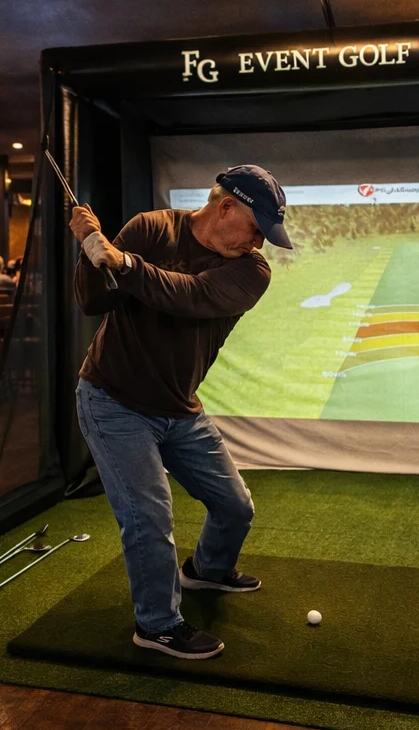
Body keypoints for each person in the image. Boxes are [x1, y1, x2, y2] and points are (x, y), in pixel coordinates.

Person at [70, 166, 292, 659]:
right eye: (256, 229)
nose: (259, 242)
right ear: (226, 207)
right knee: (149, 516)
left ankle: (207, 571)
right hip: (113, 400)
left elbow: (188, 297)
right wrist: (89, 248)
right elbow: (93, 300)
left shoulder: (252, 271)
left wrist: (125, 263)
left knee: (235, 507)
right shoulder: (151, 229)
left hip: (178, 406)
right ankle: (157, 625)